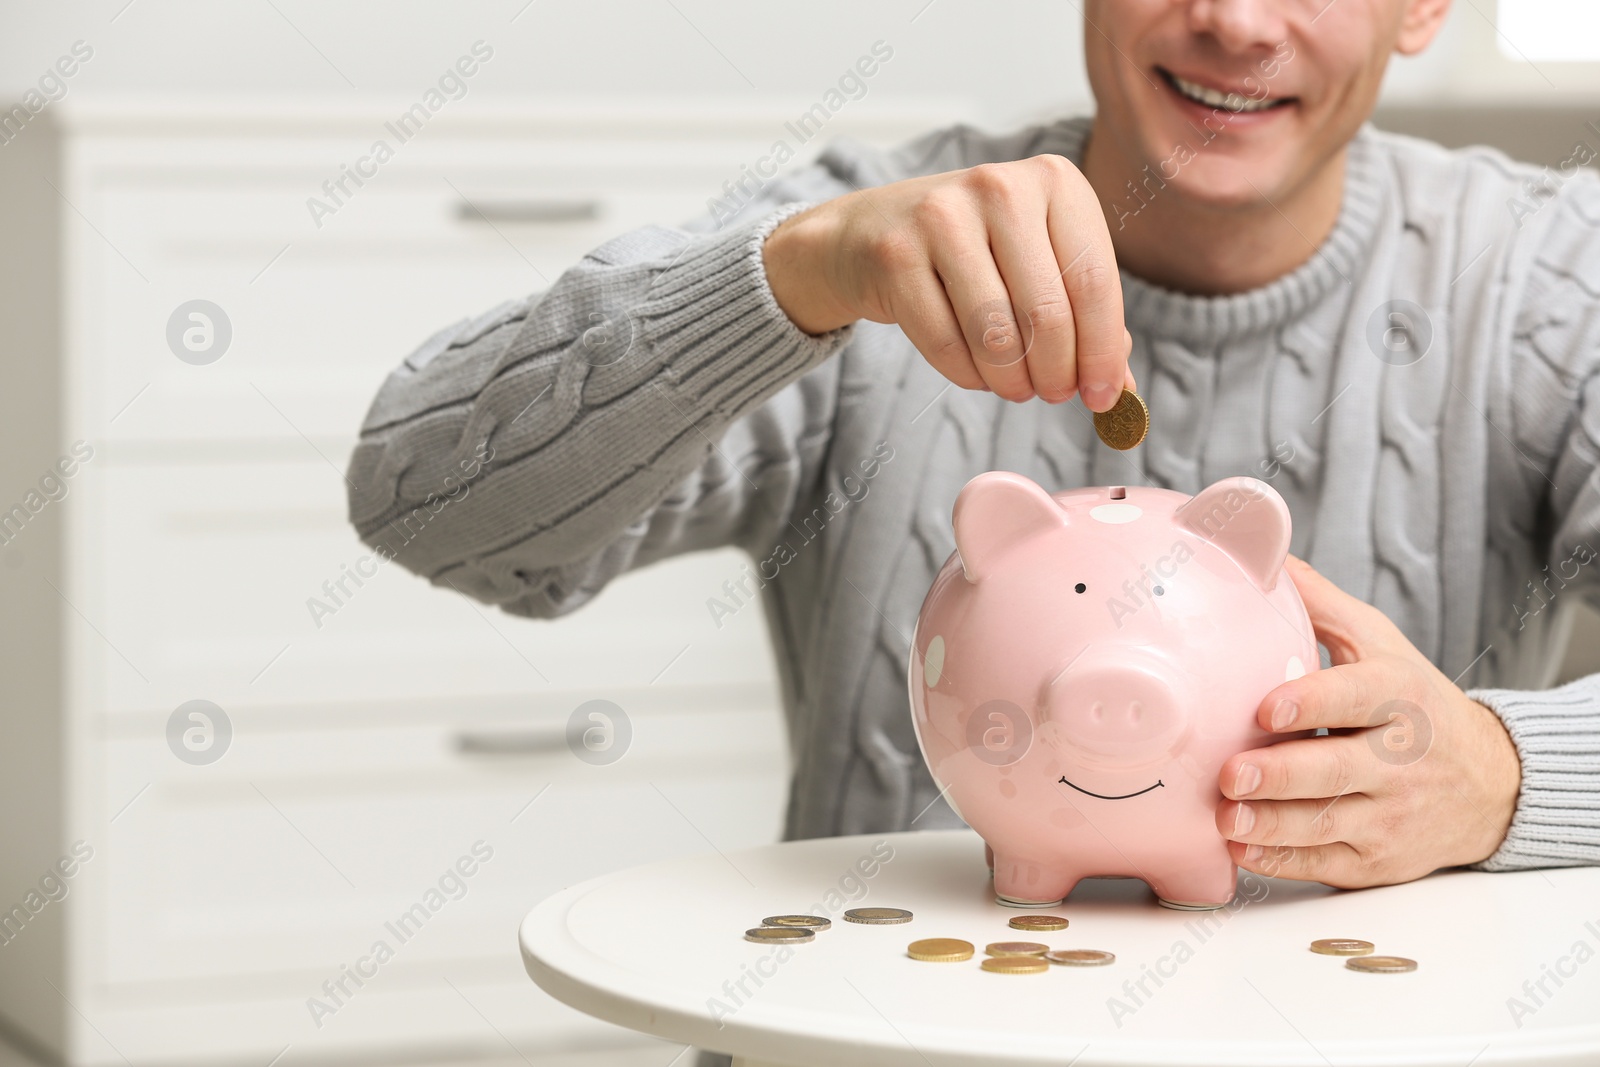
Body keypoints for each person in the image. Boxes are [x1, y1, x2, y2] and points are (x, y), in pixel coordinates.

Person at [347, 0, 1599, 1057]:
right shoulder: (856, 245)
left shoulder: (1547, 279)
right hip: (869, 1033)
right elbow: (416, 502)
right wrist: (782, 287)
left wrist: (1504, 771)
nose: (1230, 20)